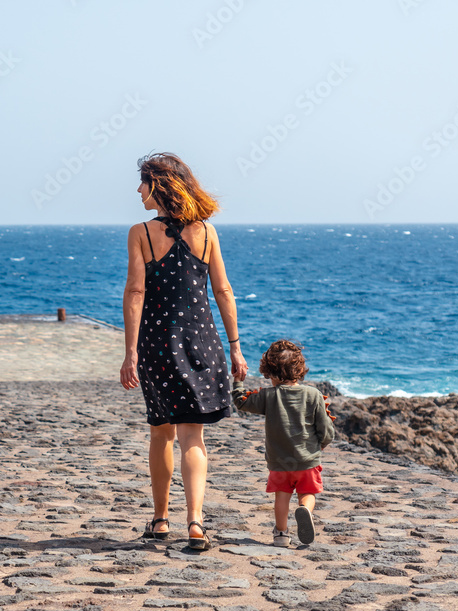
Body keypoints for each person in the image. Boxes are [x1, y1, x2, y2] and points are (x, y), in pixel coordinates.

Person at [120, 152, 247, 550]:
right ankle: (195, 523)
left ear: (159, 185)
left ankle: (160, 520)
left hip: (158, 345)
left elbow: (136, 292)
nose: (138, 190)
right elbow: (223, 291)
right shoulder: (207, 233)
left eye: (143, 183)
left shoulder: (140, 232)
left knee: (162, 433)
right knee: (194, 438)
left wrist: (130, 353)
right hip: (203, 342)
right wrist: (236, 349)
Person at [231, 339, 336, 547]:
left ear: (269, 371)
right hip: (307, 460)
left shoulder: (268, 396)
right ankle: (305, 509)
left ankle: (281, 534)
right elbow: (325, 430)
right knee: (308, 493)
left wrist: (238, 381)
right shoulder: (313, 395)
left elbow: (241, 401)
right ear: (299, 369)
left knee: (281, 496)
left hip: (279, 462)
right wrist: (321, 445)